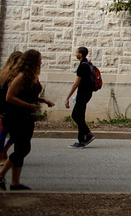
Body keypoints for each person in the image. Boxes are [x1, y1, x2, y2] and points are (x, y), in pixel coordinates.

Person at [0, 50, 55, 190]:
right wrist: (29, 106)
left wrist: (42, 100)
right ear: (32, 61)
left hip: (26, 117)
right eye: (39, 59)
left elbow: (27, 94)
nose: (41, 62)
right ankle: (1, 175)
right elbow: (10, 97)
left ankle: (15, 183)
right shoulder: (21, 76)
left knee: (20, 148)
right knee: (24, 148)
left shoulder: (31, 76)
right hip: (15, 117)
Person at [64, 47, 95, 149]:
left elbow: (75, 84)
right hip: (87, 93)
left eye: (76, 52)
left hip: (82, 94)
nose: (75, 54)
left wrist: (67, 97)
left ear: (81, 54)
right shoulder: (87, 64)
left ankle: (83, 139)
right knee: (77, 115)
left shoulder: (82, 66)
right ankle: (86, 136)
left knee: (78, 115)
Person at [0, 52, 23, 165]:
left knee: (17, 131)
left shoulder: (15, 73)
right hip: (6, 105)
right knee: (4, 131)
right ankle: (1, 155)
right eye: (20, 60)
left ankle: (4, 149)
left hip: (11, 106)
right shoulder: (8, 72)